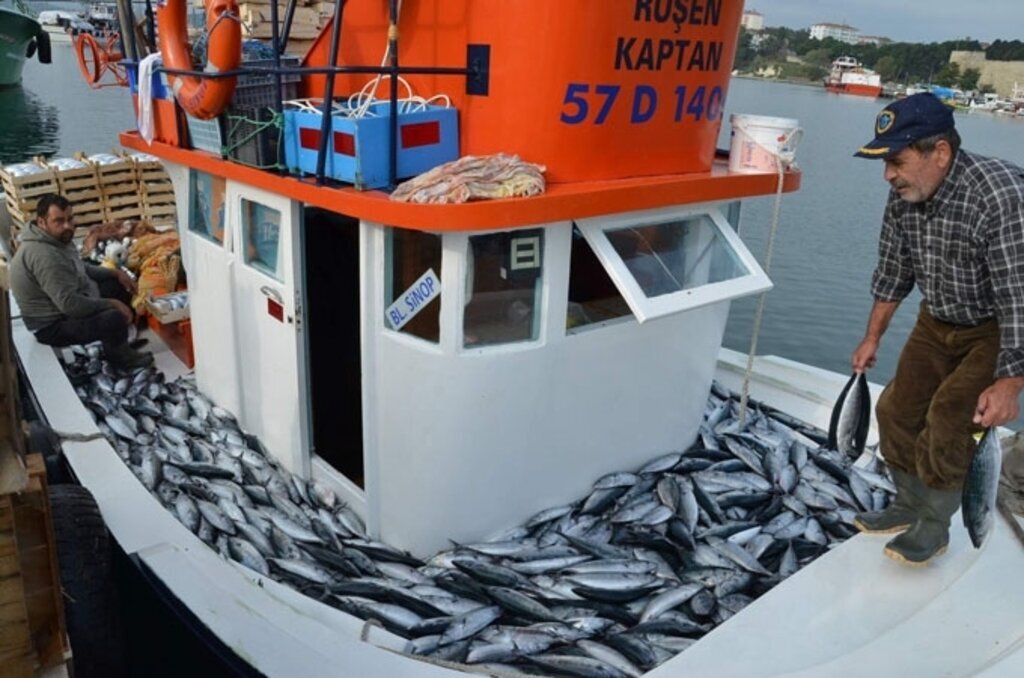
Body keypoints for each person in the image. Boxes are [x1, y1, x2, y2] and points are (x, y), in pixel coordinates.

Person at [849, 93, 1024, 565]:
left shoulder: (999, 194)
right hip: (937, 318)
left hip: (996, 325)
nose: (889, 174)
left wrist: (1010, 382)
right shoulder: (905, 196)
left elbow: (1018, 296)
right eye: (886, 161)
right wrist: (873, 337)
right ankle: (909, 502)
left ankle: (935, 522)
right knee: (895, 409)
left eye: (897, 160)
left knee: (950, 416)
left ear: (940, 153)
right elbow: (892, 272)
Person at [10, 193, 153, 370]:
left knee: (115, 285)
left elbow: (81, 268)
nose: (67, 226)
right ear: (41, 222)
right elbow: (70, 305)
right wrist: (113, 304)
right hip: (51, 326)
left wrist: (116, 273)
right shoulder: (44, 255)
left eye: (70, 219)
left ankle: (118, 345)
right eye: (59, 221)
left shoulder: (56, 238)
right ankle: (120, 360)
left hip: (64, 307)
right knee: (112, 317)